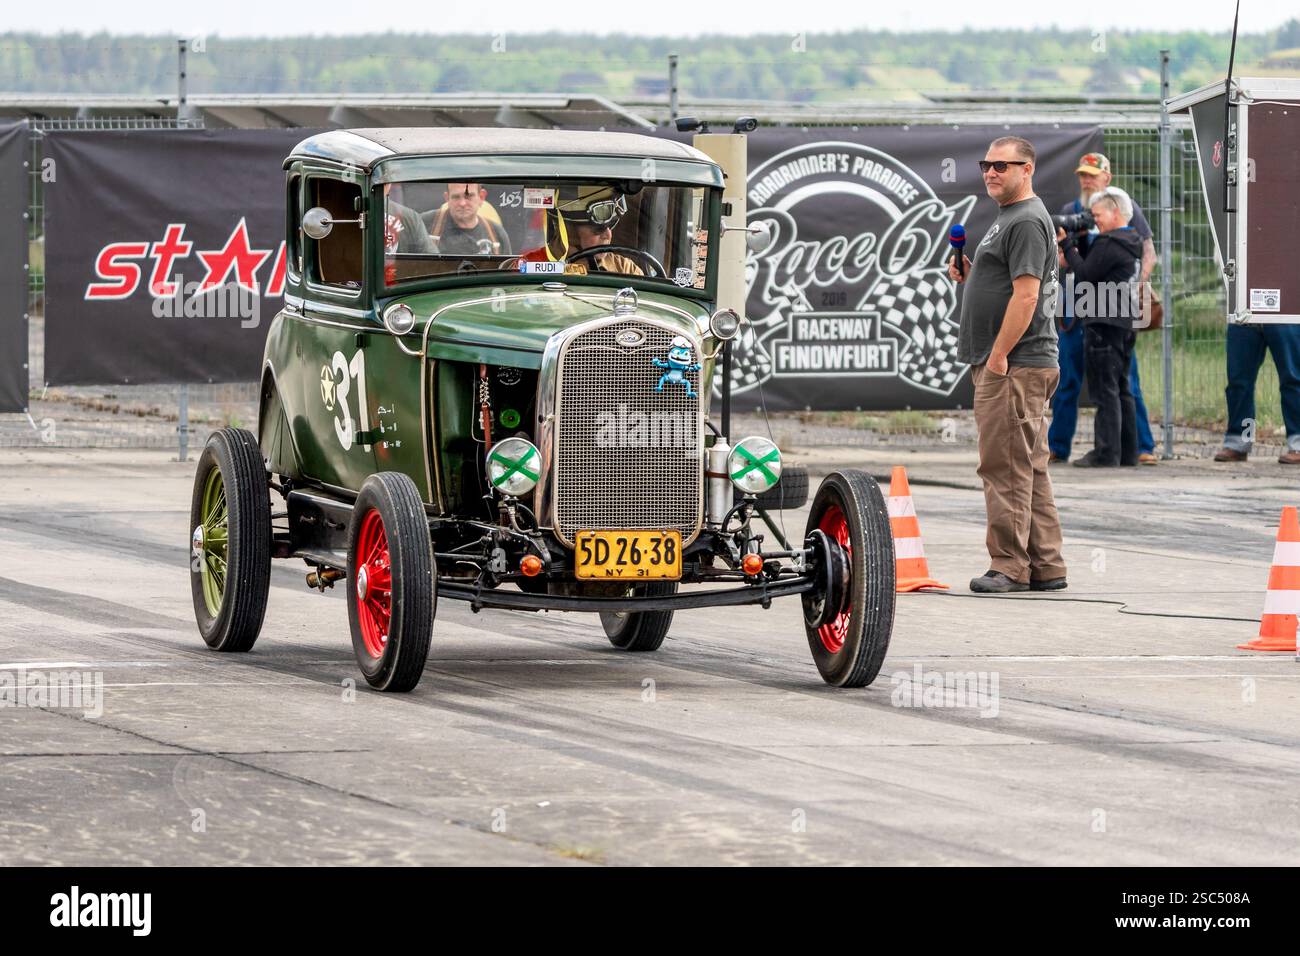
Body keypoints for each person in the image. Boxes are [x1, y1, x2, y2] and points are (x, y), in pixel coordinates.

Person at [949, 136, 1067, 594]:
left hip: (1015, 363)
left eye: (1003, 165)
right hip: (1014, 362)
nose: (991, 172)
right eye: (986, 164)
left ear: (1027, 168)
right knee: (1028, 465)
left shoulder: (1026, 219)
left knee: (1004, 467)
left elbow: (1027, 294)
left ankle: (1009, 566)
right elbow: (1009, 282)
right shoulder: (1010, 218)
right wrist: (972, 269)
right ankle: (1047, 564)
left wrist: (999, 356)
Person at [1048, 152, 1160, 465]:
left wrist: (1134, 285)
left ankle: (1140, 446)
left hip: (1112, 304)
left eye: (1092, 176)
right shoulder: (1071, 211)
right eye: (1082, 175)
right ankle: (1058, 446)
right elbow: (1065, 262)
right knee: (1068, 376)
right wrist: (1065, 251)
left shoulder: (1125, 207)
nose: (1086, 181)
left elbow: (1148, 253)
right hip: (1078, 301)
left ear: (1106, 179)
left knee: (1124, 379)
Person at [1058, 188, 1143, 467]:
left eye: (1098, 215)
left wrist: (1067, 245)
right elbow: (1094, 268)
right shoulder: (1130, 241)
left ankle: (1106, 453)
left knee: (1104, 391)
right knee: (1121, 389)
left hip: (1103, 324)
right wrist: (1080, 243)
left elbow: (1084, 275)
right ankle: (1128, 452)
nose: (1095, 222)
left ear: (1115, 212)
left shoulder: (1109, 243)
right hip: (1124, 322)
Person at [1213, 323, 1300, 464]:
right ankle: (1239, 443)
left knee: (1293, 379)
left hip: (1284, 313)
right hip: (1243, 314)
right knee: (1238, 382)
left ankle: (1297, 444)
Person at [518, 186, 644, 276]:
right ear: (568, 230)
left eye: (610, 225)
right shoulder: (529, 266)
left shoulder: (625, 269)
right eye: (598, 229)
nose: (608, 234)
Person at [426, 183, 512, 257]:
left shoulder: (497, 234)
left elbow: (507, 272)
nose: (462, 203)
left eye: (469, 196)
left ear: (481, 197)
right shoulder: (424, 224)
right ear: (447, 198)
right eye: (456, 197)